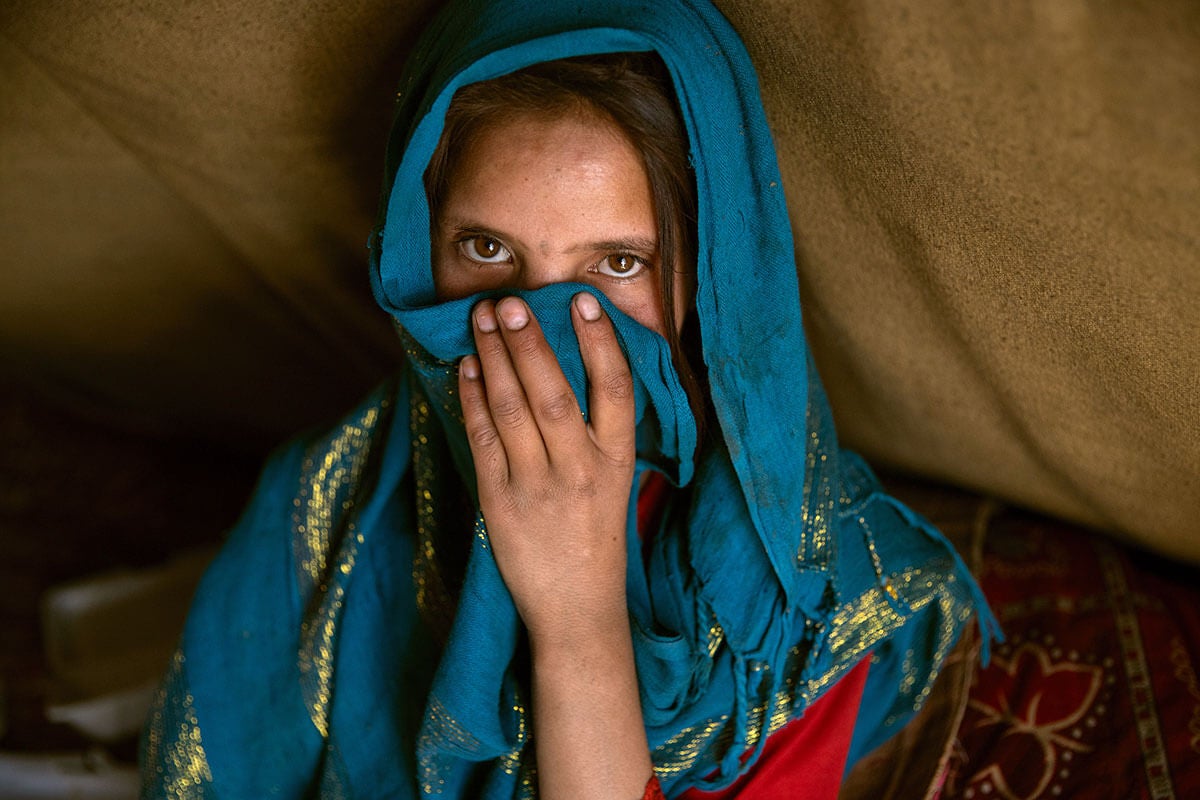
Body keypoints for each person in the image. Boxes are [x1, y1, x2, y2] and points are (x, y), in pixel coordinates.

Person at [141, 1, 997, 798]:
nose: (534, 324)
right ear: (414, 248)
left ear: (714, 277)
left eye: (617, 264)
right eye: (484, 247)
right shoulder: (323, 514)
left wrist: (579, 617)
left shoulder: (802, 602)